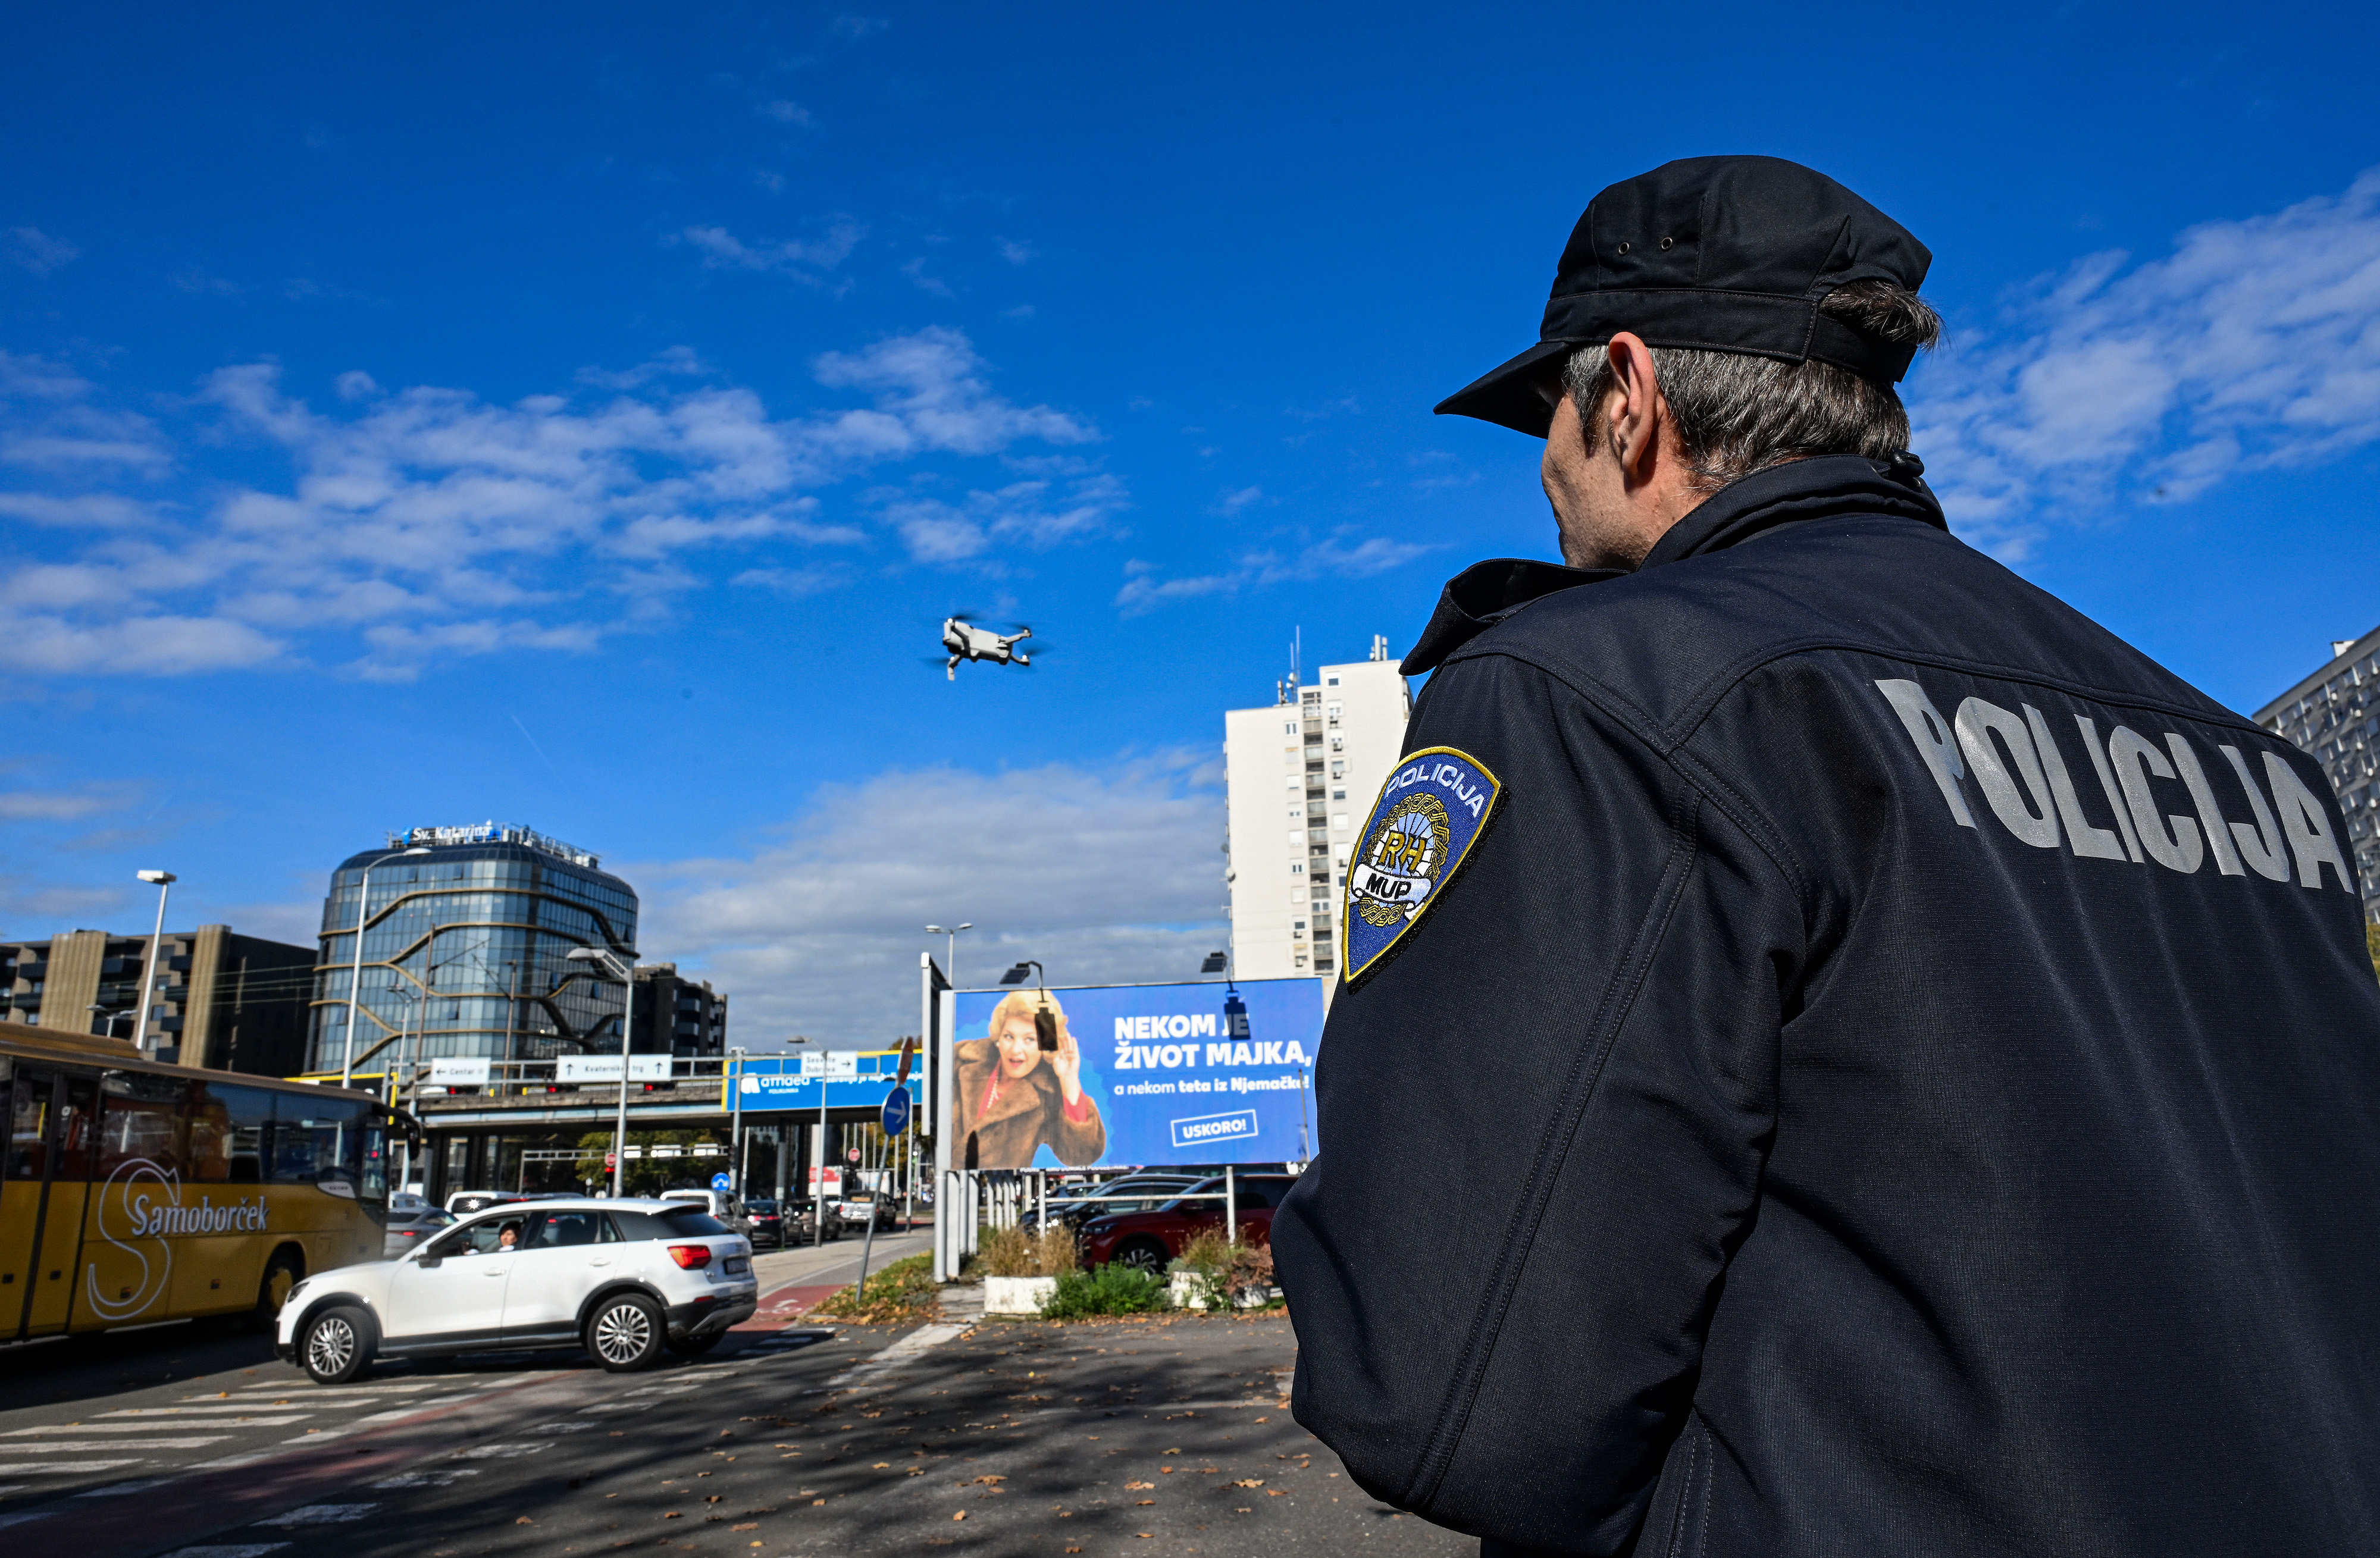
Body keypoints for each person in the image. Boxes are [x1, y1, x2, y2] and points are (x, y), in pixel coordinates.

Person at [1270, 156, 2380, 1556]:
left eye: (1543, 416)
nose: (1543, 471)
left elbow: (1446, 1388)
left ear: (1626, 394)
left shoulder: (1596, 696)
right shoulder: (2256, 771)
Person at [955, 990, 1106, 1169]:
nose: (1016, 1050)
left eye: (1030, 1039)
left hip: (999, 1191)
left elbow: (1082, 1154)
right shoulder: (960, 1058)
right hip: (945, 1186)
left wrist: (1069, 1079)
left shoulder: (1047, 1094)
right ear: (998, 1037)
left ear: (1045, 1045)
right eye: (1009, 1037)